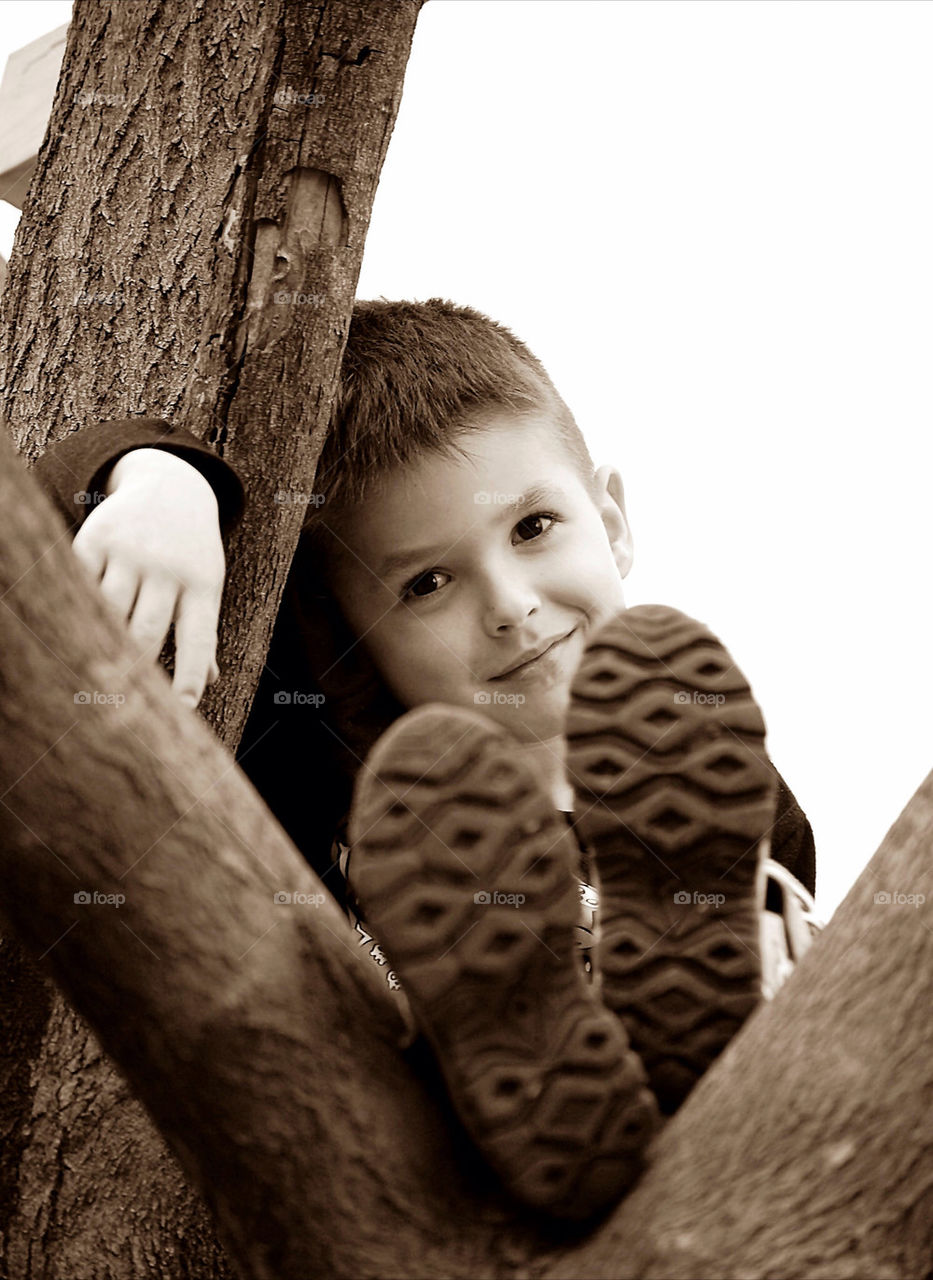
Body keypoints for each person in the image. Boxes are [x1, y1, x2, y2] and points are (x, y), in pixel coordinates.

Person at [32, 298, 820, 1218]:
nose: (511, 606)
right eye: (426, 584)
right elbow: (27, 514)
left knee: (750, 953)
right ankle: (528, 1065)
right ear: (352, 640)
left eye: (533, 528)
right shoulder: (315, 756)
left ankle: (663, 1042)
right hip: (390, 1173)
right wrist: (158, 477)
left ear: (612, 519)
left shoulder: (734, 797)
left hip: (678, 1185)